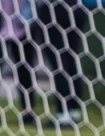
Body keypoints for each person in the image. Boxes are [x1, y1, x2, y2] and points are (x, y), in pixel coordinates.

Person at [32, 0, 88, 129]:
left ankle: (64, 113)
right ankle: (74, 111)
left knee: (59, 62)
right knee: (71, 59)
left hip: (55, 9)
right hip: (77, 8)